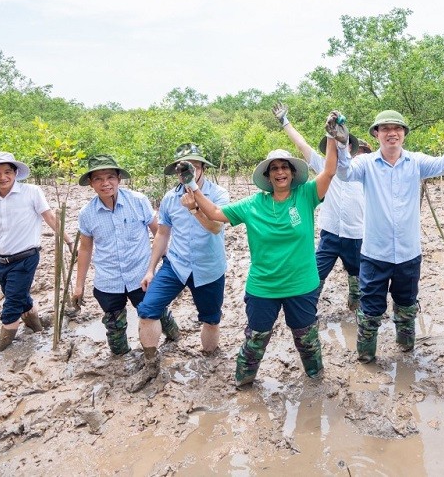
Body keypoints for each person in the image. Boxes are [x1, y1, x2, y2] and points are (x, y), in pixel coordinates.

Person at [187, 116, 341, 388]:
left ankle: (316, 381)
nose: (280, 172)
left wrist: (331, 136)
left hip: (302, 285)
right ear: (267, 176)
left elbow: (328, 172)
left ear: (292, 173)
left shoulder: (305, 195)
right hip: (263, 287)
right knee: (256, 338)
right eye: (274, 169)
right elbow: (214, 213)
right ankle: (243, 383)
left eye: (285, 167)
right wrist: (193, 185)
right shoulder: (252, 205)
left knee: (306, 339)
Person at [335, 109, 444, 363]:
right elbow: (343, 173)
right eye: (385, 129)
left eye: (397, 129)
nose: (392, 133)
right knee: (370, 309)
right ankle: (366, 356)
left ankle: (405, 348)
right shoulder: (366, 164)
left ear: (404, 134)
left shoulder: (416, 162)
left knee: (407, 305)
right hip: (375, 254)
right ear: (376, 134)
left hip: (409, 253)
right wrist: (341, 144)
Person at [131, 144, 230, 390]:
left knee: (211, 320)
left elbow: (216, 227)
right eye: (183, 169)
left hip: (209, 267)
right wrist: (150, 269)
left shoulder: (218, 194)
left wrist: (195, 207)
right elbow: (163, 234)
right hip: (176, 264)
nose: (188, 172)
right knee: (147, 309)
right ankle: (151, 365)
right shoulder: (169, 198)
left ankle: (209, 360)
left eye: (194, 166)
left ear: (203, 168)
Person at [273, 102, 371, 311]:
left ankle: (357, 309)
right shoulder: (323, 167)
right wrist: (285, 122)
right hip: (330, 235)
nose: (335, 146)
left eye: (340, 142)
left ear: (349, 148)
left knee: (360, 278)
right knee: (315, 276)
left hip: (357, 235)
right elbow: (302, 145)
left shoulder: (362, 170)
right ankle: (307, 312)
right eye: (331, 144)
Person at [0, 152, 68, 351]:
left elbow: (49, 217)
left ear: (16, 173)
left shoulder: (31, 192)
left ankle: (2, 348)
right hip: (1, 259)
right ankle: (37, 327)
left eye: (8, 172)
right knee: (18, 296)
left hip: (26, 257)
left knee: (11, 304)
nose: (3, 177)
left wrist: (68, 240)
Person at [72, 155, 158, 357]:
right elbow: (85, 249)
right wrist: (79, 284)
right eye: (98, 179)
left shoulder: (138, 201)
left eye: (110, 177)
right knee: (114, 326)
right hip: (108, 279)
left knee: (156, 314)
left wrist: (161, 268)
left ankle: (173, 337)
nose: (105, 183)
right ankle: (121, 359)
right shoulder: (87, 213)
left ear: (119, 178)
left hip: (141, 275)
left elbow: (159, 233)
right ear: (91, 184)